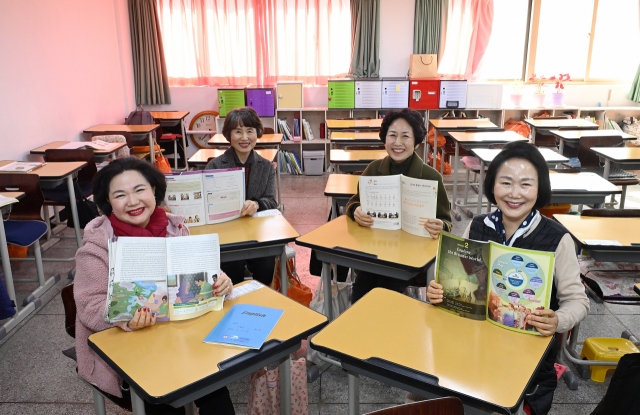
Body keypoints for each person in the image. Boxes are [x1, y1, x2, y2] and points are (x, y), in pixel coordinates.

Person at [427, 141, 589, 415]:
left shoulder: (556, 238)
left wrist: (558, 320)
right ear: (492, 186)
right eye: (506, 183)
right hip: (476, 349)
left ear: (540, 189)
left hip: (528, 357)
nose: (515, 194)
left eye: (526, 184)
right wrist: (439, 290)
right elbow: (461, 276)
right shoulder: (478, 226)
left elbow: (577, 301)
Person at [74, 158, 235, 415]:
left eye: (140, 190)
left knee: (216, 394)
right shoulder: (97, 247)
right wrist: (126, 318)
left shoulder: (176, 229)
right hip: (132, 347)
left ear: (154, 191)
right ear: (108, 202)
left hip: (183, 337)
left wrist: (221, 281)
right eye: (120, 195)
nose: (134, 201)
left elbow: (201, 270)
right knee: (165, 398)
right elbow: (88, 306)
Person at [346, 108, 452, 303]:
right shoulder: (373, 169)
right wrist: (356, 210)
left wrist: (441, 226)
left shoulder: (432, 177)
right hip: (375, 252)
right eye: (392, 135)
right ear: (384, 138)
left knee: (388, 300)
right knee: (359, 298)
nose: (397, 143)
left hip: (411, 259)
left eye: (405, 137)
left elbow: (447, 221)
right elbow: (354, 201)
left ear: (416, 141)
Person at [206, 107, 277, 286]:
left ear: (257, 134)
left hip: (256, 234)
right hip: (227, 234)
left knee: (267, 265)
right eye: (238, 132)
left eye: (249, 131)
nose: (244, 138)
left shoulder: (266, 166)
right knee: (231, 268)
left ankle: (259, 304)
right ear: (229, 135)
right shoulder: (214, 166)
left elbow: (272, 200)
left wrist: (257, 204)